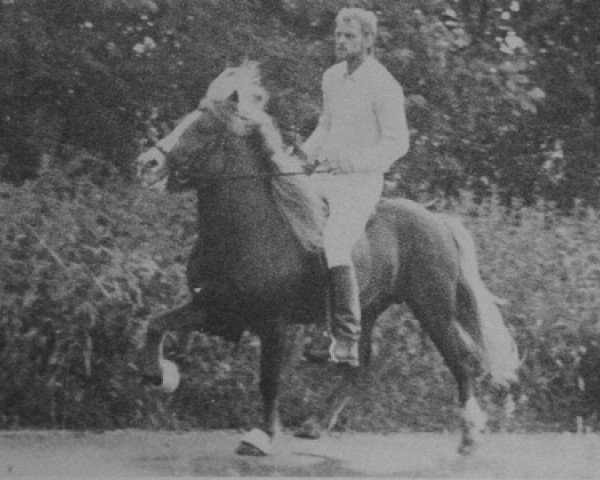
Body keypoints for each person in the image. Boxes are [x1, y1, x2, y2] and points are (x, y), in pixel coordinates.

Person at [302, 7, 410, 367]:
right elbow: (325, 125)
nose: (340, 40)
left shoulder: (384, 85)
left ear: (368, 40)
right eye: (337, 34)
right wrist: (302, 155)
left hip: (360, 184)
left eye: (348, 35)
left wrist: (353, 162)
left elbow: (398, 143)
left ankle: (346, 338)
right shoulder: (331, 77)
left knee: (334, 242)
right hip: (324, 178)